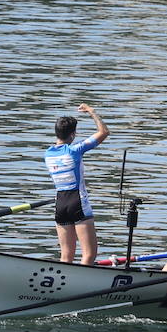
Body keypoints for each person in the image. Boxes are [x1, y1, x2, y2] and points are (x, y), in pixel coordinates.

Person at [44, 103, 109, 264]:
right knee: (88, 255)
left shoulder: (47, 154)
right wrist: (92, 112)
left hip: (60, 203)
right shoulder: (75, 150)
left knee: (65, 257)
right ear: (72, 135)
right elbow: (104, 132)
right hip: (77, 202)